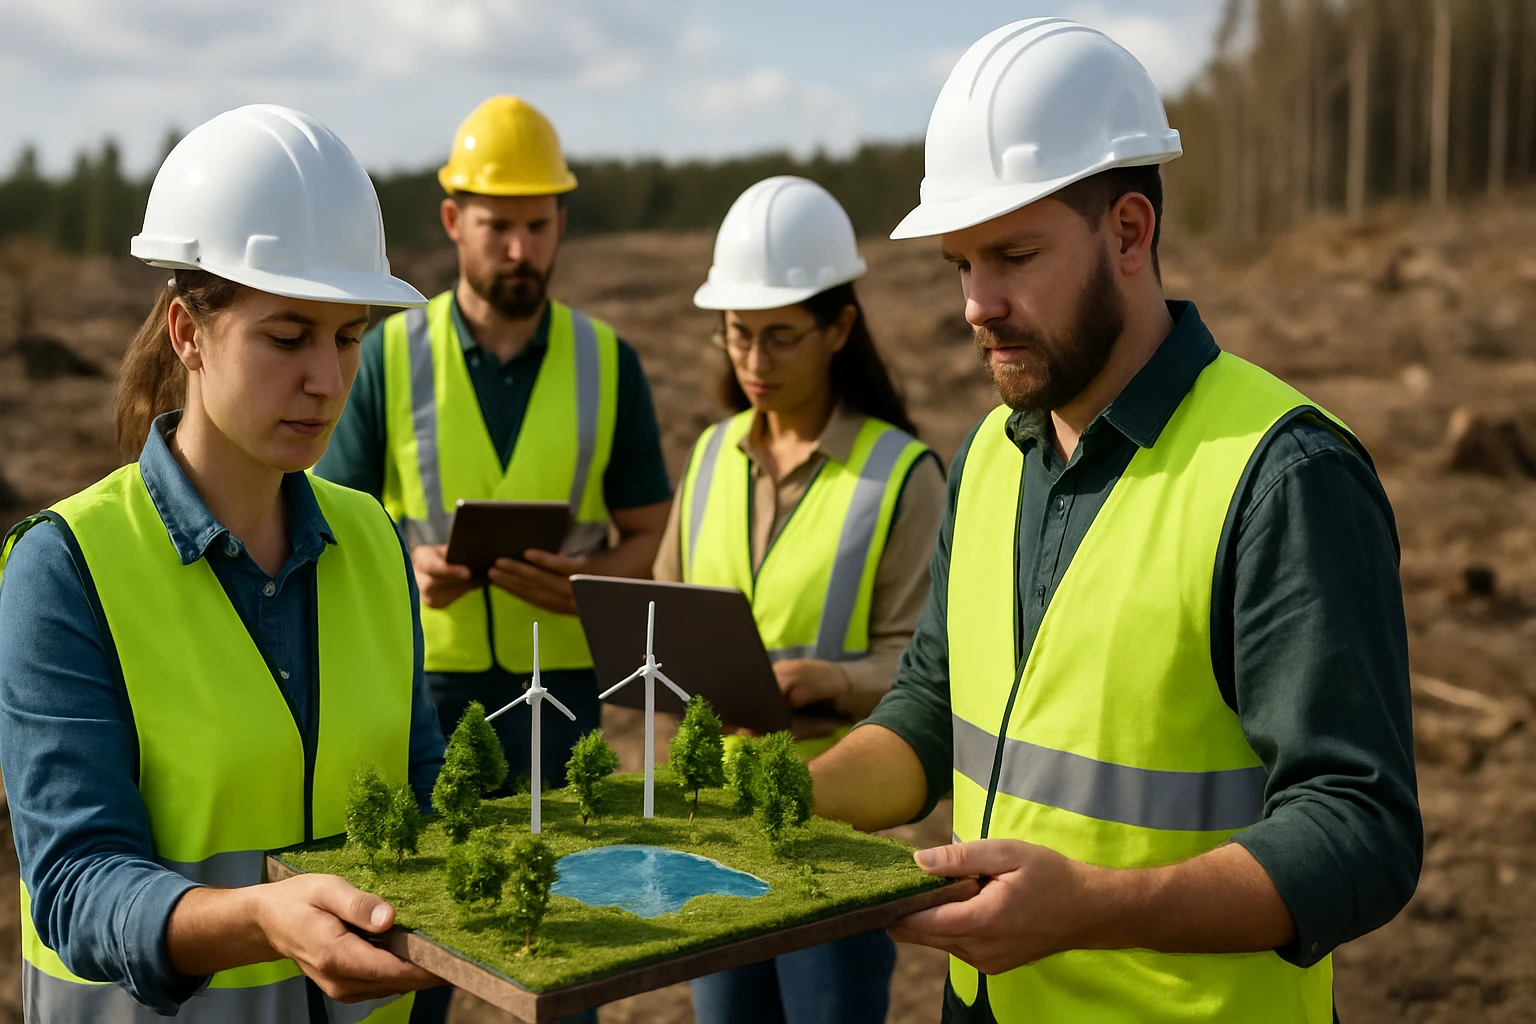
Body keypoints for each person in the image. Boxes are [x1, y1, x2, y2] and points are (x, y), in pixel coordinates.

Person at [809, 20, 1422, 1023]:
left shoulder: (1283, 476)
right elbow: (927, 715)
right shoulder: (989, 463)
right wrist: (776, 802)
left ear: (1130, 233)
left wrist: (1093, 908)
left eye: (1012, 255)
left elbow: (1361, 830)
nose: (976, 304)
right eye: (960, 264)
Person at [0, 105, 445, 1022]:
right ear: (187, 333)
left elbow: (427, 793)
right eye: (288, 337)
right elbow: (77, 885)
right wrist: (261, 920)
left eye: (348, 335)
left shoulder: (373, 540)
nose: (327, 379)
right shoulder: (65, 569)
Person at [313, 94, 670, 1024]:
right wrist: (407, 560)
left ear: (561, 224)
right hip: (421, 698)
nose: (520, 249)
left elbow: (649, 531)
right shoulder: (385, 356)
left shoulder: (609, 362)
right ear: (452, 222)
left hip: (564, 695)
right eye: (498, 226)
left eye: (537, 226)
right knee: (418, 941)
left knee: (566, 948)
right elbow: (328, 518)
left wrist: (593, 582)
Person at [655, 176, 945, 1024]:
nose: (754, 361)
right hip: (716, 827)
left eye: (780, 337)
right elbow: (661, 619)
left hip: (835, 839)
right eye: (738, 336)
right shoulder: (709, 458)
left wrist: (837, 682)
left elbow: (925, 663)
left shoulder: (901, 476)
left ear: (840, 328)